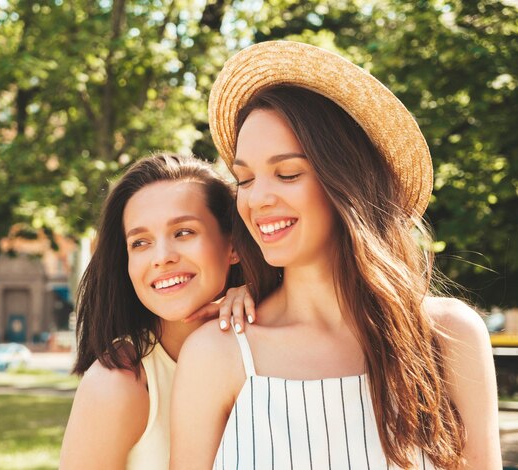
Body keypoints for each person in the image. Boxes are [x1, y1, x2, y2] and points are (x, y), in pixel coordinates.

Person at [171, 41, 501, 469]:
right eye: (245, 179)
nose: (258, 199)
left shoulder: (449, 337)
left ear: (346, 182)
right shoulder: (217, 354)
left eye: (287, 173)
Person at [60, 153, 250, 469]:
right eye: (140, 243)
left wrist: (261, 297)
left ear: (233, 245)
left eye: (183, 232)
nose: (161, 258)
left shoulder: (268, 345)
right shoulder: (117, 384)